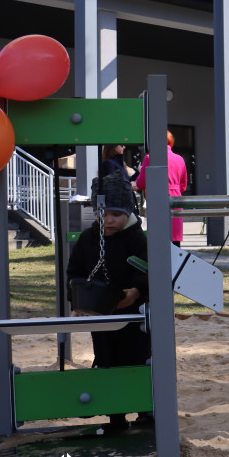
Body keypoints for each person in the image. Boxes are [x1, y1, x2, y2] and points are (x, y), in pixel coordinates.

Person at [67, 170, 151, 430]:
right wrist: (78, 303)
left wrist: (136, 292)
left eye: (116, 215)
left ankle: (146, 414)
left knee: (138, 363)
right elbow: (74, 273)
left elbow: (148, 272)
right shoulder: (88, 239)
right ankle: (116, 416)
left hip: (134, 318)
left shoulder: (137, 239)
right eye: (103, 214)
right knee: (107, 362)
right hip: (101, 316)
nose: (109, 221)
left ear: (128, 213)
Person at [135, 130, 188, 246]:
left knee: (158, 240)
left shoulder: (150, 158)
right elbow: (183, 186)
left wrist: (141, 171)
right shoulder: (180, 159)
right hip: (176, 200)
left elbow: (141, 184)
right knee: (175, 242)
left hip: (157, 199)